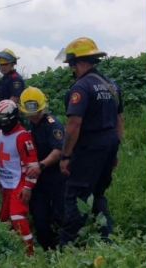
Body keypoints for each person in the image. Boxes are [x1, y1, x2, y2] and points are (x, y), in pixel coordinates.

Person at [57, 37, 124, 245]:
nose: (71, 68)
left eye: (71, 64)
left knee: (76, 197)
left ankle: (67, 250)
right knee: (98, 195)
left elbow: (74, 125)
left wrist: (65, 156)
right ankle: (107, 241)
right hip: (109, 146)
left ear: (76, 62)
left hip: (89, 149)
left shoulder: (81, 87)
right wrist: (114, 153)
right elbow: (119, 121)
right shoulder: (111, 86)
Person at [19, 87, 67, 251]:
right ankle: (47, 251)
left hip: (55, 178)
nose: (32, 116)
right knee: (40, 218)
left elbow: (58, 150)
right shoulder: (29, 124)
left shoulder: (52, 125)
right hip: (37, 180)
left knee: (60, 216)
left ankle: (64, 251)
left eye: (35, 113)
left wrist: (41, 165)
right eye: (29, 113)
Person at [0, 99, 38, 255]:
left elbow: (32, 165)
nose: (1, 123)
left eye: (4, 119)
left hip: (19, 182)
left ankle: (30, 255)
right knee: (4, 221)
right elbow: (1, 159)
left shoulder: (23, 136)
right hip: (6, 183)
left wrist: (28, 187)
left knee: (17, 216)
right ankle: (8, 252)